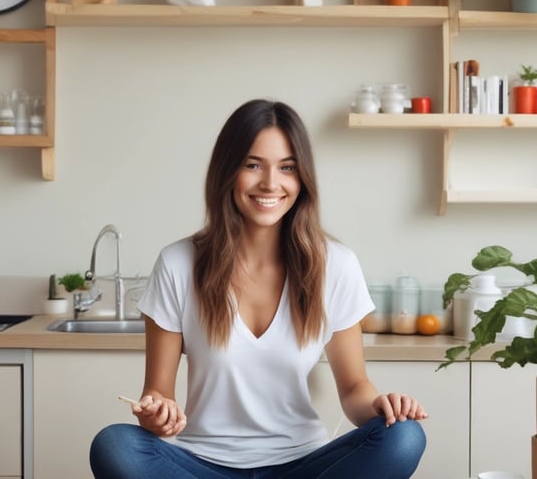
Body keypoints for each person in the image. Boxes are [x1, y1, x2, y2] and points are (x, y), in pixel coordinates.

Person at [89, 99, 428, 479]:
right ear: (227, 171)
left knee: (404, 437)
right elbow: (158, 392)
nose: (270, 183)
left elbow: (353, 389)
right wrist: (158, 415)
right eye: (253, 165)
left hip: (301, 465)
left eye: (287, 168)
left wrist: (383, 405)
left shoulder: (335, 264)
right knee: (115, 445)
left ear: (302, 178)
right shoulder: (178, 264)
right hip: (202, 466)